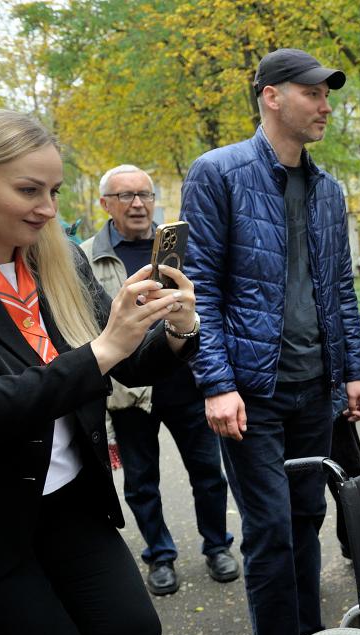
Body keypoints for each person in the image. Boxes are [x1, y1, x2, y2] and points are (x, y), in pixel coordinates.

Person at [0, 109, 199, 635]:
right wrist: (104, 349)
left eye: (54, 190)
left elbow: (121, 361)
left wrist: (175, 329)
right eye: (27, 190)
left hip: (68, 503)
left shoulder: (55, 259)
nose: (46, 209)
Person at [181, 49, 360, 635]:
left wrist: (353, 371)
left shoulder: (329, 190)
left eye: (327, 94)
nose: (324, 105)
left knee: (309, 515)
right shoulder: (217, 174)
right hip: (250, 392)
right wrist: (216, 382)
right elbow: (196, 290)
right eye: (312, 92)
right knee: (269, 529)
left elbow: (341, 290)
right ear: (270, 96)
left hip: (313, 386)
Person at [82, 164, 237, 595]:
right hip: (130, 391)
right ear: (105, 204)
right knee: (141, 479)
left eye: (145, 194)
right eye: (126, 195)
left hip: (186, 381)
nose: (138, 204)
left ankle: (217, 546)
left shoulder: (177, 248)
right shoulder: (90, 256)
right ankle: (160, 555)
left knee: (208, 473)